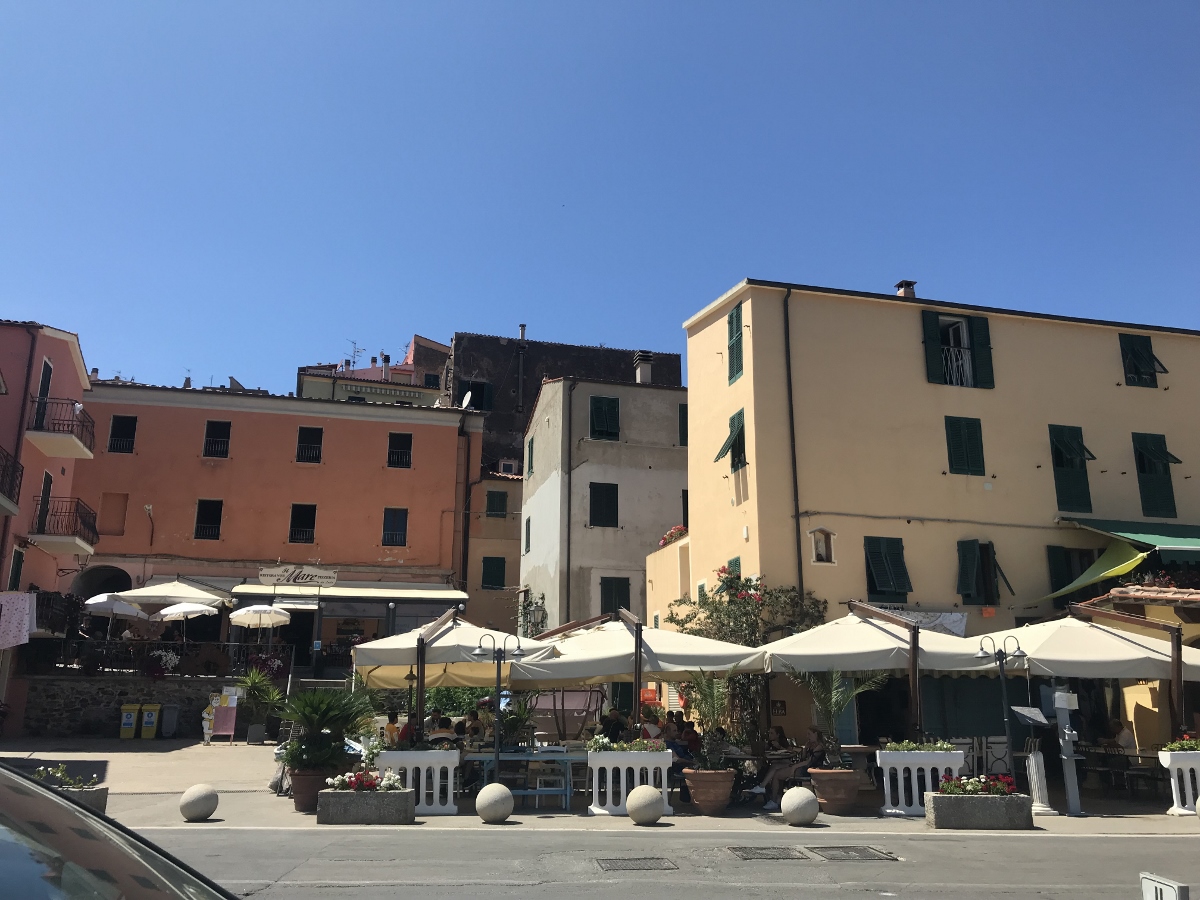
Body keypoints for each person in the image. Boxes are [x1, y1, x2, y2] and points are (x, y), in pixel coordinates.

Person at [759, 727, 826, 812]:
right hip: (803, 767)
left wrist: (795, 767)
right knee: (776, 769)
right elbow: (803, 758)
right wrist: (805, 748)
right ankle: (777, 799)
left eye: (809, 734)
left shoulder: (819, 747)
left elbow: (809, 762)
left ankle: (773, 801)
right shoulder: (811, 745)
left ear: (816, 734)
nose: (807, 736)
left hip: (808, 770)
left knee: (777, 775)